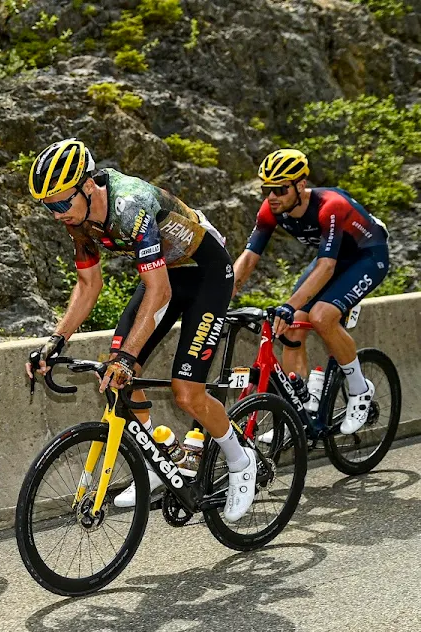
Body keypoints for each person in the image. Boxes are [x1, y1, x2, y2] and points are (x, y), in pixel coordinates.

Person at [25, 138, 256, 521]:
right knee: (116, 376)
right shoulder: (77, 219)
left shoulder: (128, 204)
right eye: (49, 207)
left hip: (206, 274)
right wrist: (55, 340)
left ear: (87, 186)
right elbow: (88, 285)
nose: (56, 214)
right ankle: (156, 458)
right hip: (164, 274)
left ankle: (239, 459)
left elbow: (159, 290)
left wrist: (129, 357)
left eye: (61, 203)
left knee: (186, 394)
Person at [232, 148, 390, 433]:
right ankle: (299, 410)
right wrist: (223, 293)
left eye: (280, 189)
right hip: (333, 259)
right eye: (267, 189)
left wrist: (290, 305)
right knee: (291, 328)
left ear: (300, 185)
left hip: (367, 256)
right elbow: (248, 258)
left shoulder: (330, 205)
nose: (272, 196)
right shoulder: (271, 210)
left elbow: (327, 267)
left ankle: (359, 389)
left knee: (320, 316)